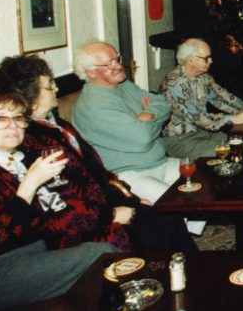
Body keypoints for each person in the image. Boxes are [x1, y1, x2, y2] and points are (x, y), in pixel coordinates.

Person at [0, 55, 196, 253]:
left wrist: (132, 198)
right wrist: (112, 214)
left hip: (106, 203)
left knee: (166, 216)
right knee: (157, 227)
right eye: (50, 86)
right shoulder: (30, 141)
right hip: (86, 222)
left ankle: (194, 274)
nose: (56, 89)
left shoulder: (58, 124)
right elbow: (61, 198)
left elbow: (98, 172)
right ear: (32, 96)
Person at [0, 94, 118, 311]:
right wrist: (31, 182)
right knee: (102, 255)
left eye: (18, 118)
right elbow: (4, 236)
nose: (13, 125)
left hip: (31, 253)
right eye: (0, 119)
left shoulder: (16, 163)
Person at [71, 41, 178, 204]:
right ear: (90, 73)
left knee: (205, 182)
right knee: (179, 203)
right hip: (131, 176)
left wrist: (149, 114)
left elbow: (163, 103)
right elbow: (142, 138)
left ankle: (188, 230)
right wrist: (153, 121)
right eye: (109, 64)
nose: (118, 66)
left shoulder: (122, 85)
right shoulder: (94, 106)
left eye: (117, 59)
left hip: (160, 162)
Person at [161, 38, 243, 158]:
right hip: (180, 140)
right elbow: (198, 117)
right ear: (191, 59)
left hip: (204, 132)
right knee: (236, 151)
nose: (211, 61)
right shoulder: (174, 83)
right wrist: (234, 119)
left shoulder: (203, 77)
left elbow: (221, 98)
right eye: (206, 58)